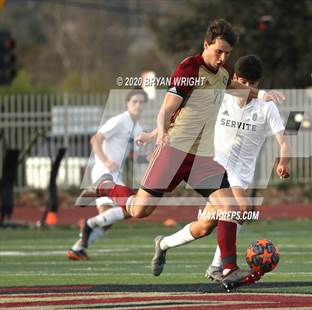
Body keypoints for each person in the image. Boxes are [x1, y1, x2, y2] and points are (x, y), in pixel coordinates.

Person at [75, 19, 280, 290]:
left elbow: (234, 87)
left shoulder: (222, 73)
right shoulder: (189, 68)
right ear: (206, 44)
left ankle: (228, 268)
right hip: (174, 152)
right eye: (218, 51)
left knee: (230, 208)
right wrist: (160, 132)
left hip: (203, 158)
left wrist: (262, 94)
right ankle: (107, 187)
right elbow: (167, 108)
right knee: (139, 210)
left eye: (227, 54)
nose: (222, 58)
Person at [152, 55, 290, 283]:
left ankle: (164, 243)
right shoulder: (221, 98)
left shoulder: (267, 106)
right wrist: (156, 133)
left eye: (253, 84)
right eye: (243, 83)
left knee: (205, 227)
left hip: (241, 174)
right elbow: (185, 116)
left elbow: (283, 140)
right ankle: (220, 267)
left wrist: (284, 161)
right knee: (241, 208)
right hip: (215, 166)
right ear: (234, 79)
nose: (248, 88)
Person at [67, 89, 152, 260]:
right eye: (134, 101)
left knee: (108, 219)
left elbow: (134, 155)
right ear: (127, 104)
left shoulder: (138, 127)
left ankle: (78, 247)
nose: (138, 105)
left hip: (115, 175)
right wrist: (105, 160)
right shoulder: (120, 120)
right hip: (104, 173)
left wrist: (153, 158)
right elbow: (95, 139)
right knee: (131, 209)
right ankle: (89, 225)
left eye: (141, 102)